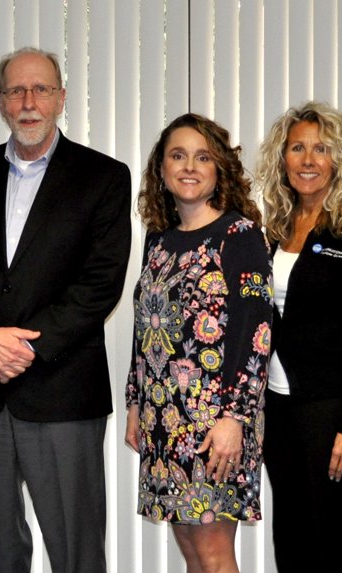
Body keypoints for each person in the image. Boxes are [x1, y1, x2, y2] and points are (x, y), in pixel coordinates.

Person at [0, 47, 130, 572]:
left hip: (63, 392)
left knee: (76, 553)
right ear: (0, 101)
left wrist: (17, 349)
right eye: (16, 90)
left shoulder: (103, 177)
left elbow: (99, 284)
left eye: (41, 89)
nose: (28, 102)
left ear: (61, 98)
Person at [124, 113, 273, 573]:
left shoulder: (239, 235)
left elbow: (256, 333)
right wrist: (135, 403)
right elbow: (147, 328)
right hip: (163, 418)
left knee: (213, 555)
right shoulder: (159, 240)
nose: (189, 166)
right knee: (191, 552)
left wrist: (234, 418)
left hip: (215, 423)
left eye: (203, 157)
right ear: (162, 169)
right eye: (178, 155)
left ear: (219, 168)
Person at [253, 102, 342, 572]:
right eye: (297, 148)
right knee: (291, 538)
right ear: (283, 158)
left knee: (334, 540)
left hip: (331, 411)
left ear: (339, 159)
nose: (308, 159)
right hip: (277, 407)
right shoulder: (276, 226)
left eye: (321, 149)